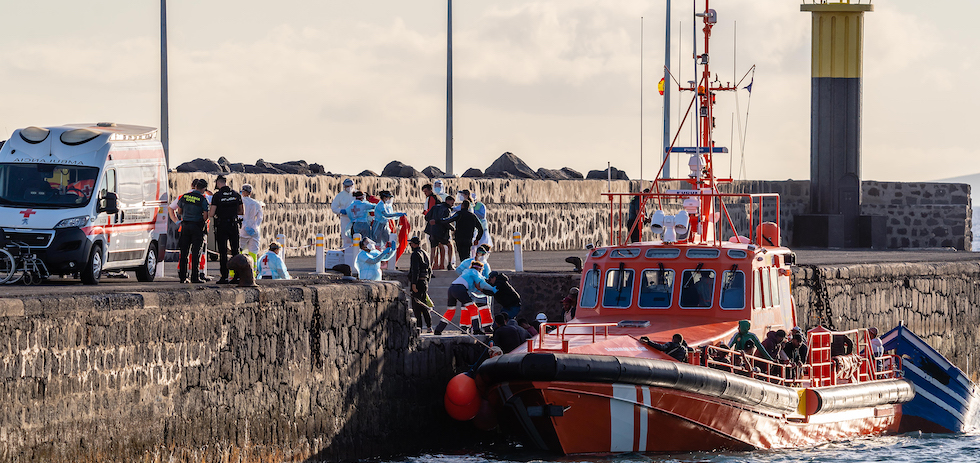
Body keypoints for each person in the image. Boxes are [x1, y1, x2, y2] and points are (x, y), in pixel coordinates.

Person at [434, 260, 497, 335]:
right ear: (479, 269)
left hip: (452, 288)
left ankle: (438, 329)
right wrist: (493, 289)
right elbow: (482, 283)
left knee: (450, 311)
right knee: (474, 308)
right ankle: (476, 329)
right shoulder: (475, 272)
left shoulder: (466, 271)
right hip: (460, 289)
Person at [208, 175, 244, 284]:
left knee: (223, 252)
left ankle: (224, 277)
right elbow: (241, 211)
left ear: (218, 183)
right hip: (233, 224)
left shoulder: (217, 196)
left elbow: (211, 213)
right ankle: (237, 277)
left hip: (222, 225)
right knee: (235, 251)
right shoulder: (236, 194)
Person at [176, 179, 210, 284]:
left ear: (195, 187)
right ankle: (195, 277)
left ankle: (183, 277)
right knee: (196, 253)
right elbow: (205, 215)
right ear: (203, 189)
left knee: (184, 253)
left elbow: (179, 211)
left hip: (185, 226)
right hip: (197, 227)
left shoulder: (185, 197)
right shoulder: (202, 199)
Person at [372, 190, 406, 263]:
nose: (389, 199)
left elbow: (391, 216)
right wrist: (397, 214)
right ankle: (377, 260)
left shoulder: (386, 205)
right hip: (378, 225)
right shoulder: (380, 205)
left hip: (384, 225)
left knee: (386, 242)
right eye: (388, 197)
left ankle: (385, 261)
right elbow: (386, 215)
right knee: (377, 243)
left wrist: (398, 216)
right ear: (384, 197)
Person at [407, 236, 433, 332]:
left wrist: (414, 283)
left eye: (411, 244)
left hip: (417, 282)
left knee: (416, 306)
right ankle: (429, 326)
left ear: (414, 244)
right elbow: (430, 270)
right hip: (424, 282)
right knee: (424, 305)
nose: (410, 245)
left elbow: (415, 270)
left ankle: (419, 327)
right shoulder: (425, 253)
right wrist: (426, 282)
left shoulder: (415, 254)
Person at [425, 194, 455, 270]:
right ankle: (449, 264)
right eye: (452, 203)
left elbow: (427, 217)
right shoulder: (447, 210)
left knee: (433, 249)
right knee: (450, 246)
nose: (452, 205)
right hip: (442, 232)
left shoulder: (435, 207)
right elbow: (446, 221)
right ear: (447, 201)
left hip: (432, 231)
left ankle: (430, 267)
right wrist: (453, 228)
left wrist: (431, 222)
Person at [239, 183, 264, 268]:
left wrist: (244, 226)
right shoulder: (256, 203)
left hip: (242, 229)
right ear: (250, 192)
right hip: (254, 231)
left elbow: (239, 215)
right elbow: (260, 218)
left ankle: (235, 273)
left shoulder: (240, 201)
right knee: (253, 252)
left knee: (238, 251)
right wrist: (254, 226)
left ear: (243, 191)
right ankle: (252, 272)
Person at [331, 178, 356, 247]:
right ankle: (346, 250)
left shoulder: (357, 194)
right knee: (346, 235)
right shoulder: (340, 196)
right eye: (347, 186)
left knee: (356, 235)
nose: (348, 188)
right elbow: (333, 207)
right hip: (345, 218)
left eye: (350, 186)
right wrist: (340, 211)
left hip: (356, 218)